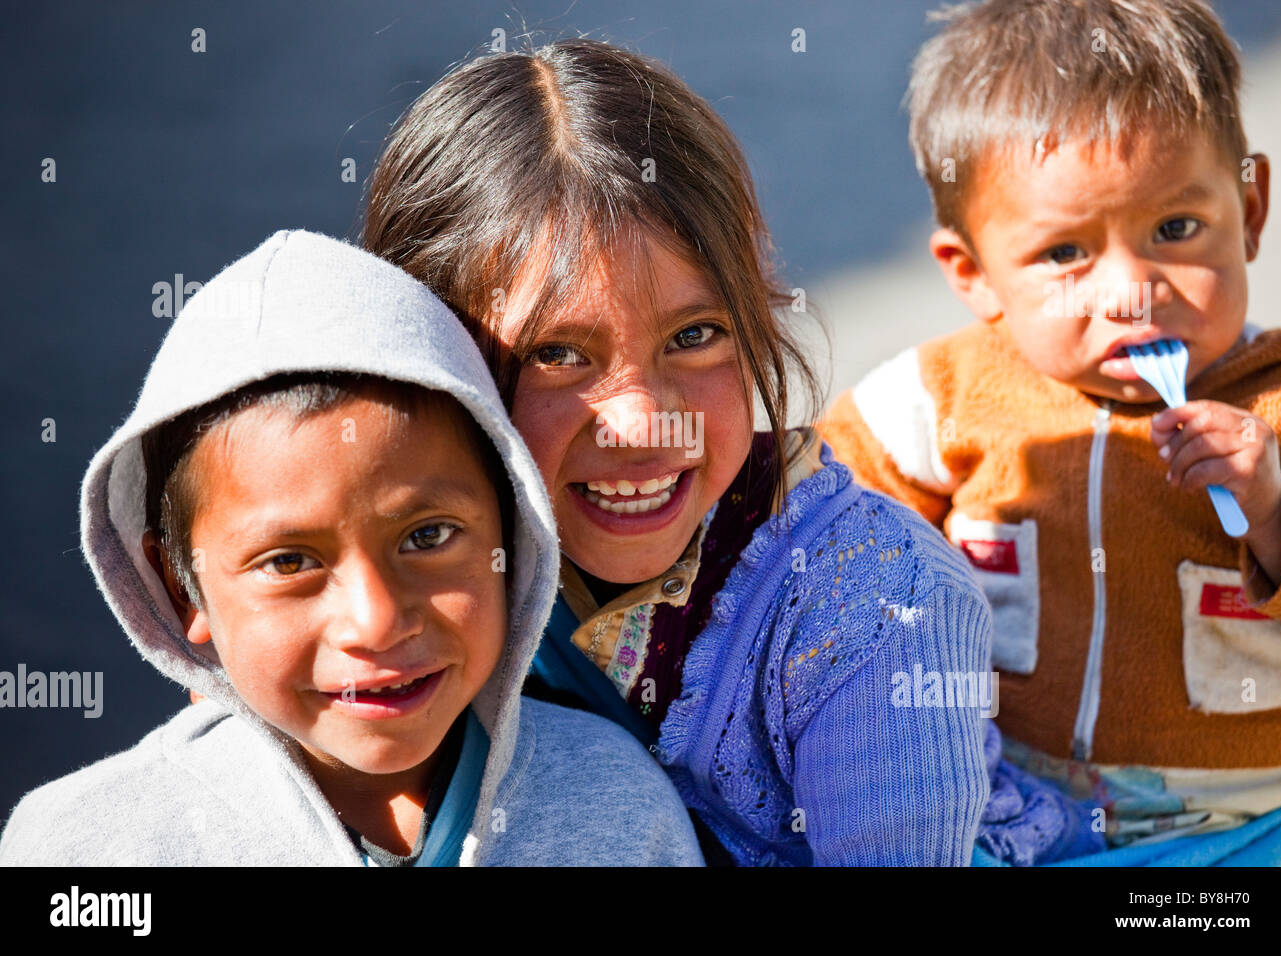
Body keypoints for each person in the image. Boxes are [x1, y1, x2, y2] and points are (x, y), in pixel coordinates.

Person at [364, 38, 993, 865]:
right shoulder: (372, 585)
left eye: (694, 337)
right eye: (557, 354)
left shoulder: (877, 609)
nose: (642, 423)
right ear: (432, 365)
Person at [0, 229, 703, 866]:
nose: (376, 620)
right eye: (290, 562)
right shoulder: (88, 848)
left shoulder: (616, 807)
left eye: (427, 537)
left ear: (513, 534)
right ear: (185, 587)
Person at [817, 0, 1281, 864]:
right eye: (1065, 253)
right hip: (1004, 809)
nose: (1128, 293)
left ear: (1251, 208)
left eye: (1176, 230)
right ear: (974, 273)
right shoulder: (940, 397)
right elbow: (809, 515)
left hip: (1254, 824)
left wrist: (1271, 510)